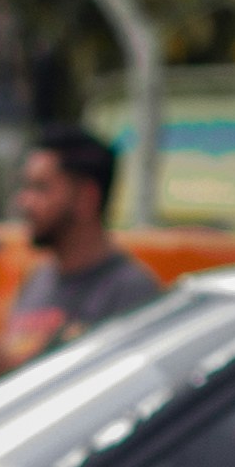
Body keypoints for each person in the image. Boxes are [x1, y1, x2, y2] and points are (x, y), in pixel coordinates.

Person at [16, 127, 162, 340]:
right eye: (26, 187)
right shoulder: (38, 279)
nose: (24, 202)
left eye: (40, 188)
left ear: (86, 197)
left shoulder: (131, 293)